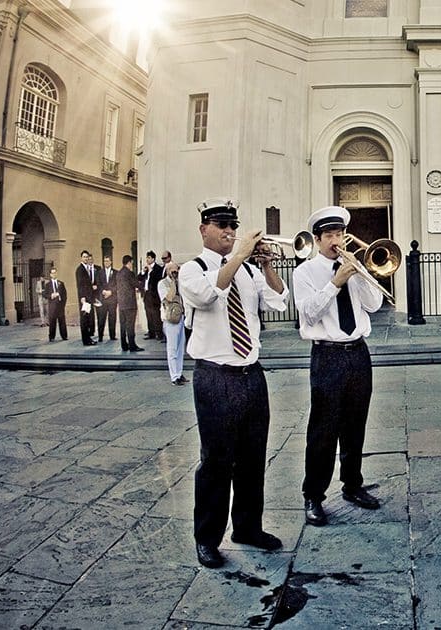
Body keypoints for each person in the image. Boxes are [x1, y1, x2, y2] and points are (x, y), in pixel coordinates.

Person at [179, 197, 288, 569]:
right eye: (221, 226)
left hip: (250, 375)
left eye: (233, 227)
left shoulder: (249, 272)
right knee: (215, 462)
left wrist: (268, 266)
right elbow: (211, 293)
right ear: (204, 230)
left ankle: (247, 528)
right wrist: (238, 255)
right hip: (215, 377)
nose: (229, 232)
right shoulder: (191, 270)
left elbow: (278, 300)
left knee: (253, 458)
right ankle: (208, 538)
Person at [293, 206, 385, 527]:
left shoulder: (354, 265)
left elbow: (374, 305)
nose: (336, 240)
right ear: (317, 239)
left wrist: (361, 275)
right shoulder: (305, 272)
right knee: (323, 428)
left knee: (355, 423)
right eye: (330, 235)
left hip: (358, 352)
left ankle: (353, 485)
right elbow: (309, 314)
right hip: (327, 354)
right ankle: (314, 496)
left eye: (340, 234)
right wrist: (335, 282)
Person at [159, 262, 189, 386]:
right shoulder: (162, 284)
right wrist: (172, 282)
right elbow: (169, 298)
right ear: (167, 271)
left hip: (181, 316)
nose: (175, 272)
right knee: (172, 348)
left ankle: (179, 372)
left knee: (180, 347)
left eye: (176, 269)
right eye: (172, 270)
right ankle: (174, 376)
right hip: (170, 318)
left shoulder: (180, 282)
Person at [116, 255, 145, 352]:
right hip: (130, 304)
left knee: (123, 325)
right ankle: (132, 346)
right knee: (130, 326)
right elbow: (136, 284)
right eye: (132, 263)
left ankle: (124, 345)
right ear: (129, 262)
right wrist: (143, 286)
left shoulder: (119, 273)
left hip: (121, 304)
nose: (132, 265)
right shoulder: (130, 273)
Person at [140, 250, 166, 340]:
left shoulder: (158, 268)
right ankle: (151, 332)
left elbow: (157, 279)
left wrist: (151, 271)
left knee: (156, 315)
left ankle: (159, 333)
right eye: (147, 257)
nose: (147, 259)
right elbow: (139, 278)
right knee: (148, 314)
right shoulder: (146, 269)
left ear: (153, 259)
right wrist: (143, 272)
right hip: (147, 294)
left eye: (149, 258)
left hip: (154, 295)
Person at [74, 250, 98, 346]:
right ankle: (86, 340)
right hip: (84, 299)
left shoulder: (86, 268)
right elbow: (80, 285)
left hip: (89, 298)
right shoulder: (80, 270)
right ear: (81, 258)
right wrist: (83, 297)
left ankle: (88, 338)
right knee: (84, 319)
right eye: (84, 257)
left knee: (88, 319)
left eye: (87, 257)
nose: (86, 258)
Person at [96, 255, 118, 342]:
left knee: (112, 318)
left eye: (108, 261)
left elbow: (118, 285)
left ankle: (112, 336)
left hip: (112, 299)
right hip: (103, 299)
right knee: (101, 318)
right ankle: (100, 336)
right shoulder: (100, 272)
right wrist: (103, 291)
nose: (106, 263)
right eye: (105, 261)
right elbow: (98, 284)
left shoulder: (116, 272)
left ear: (111, 262)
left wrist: (111, 292)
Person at [41, 269, 67, 341]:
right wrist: (51, 295)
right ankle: (52, 337)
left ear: (56, 274)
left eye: (55, 273)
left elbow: (65, 294)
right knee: (52, 321)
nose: (54, 274)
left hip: (60, 305)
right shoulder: (48, 285)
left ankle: (64, 336)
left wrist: (63, 303)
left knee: (62, 321)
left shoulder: (61, 283)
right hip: (52, 306)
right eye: (52, 273)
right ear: (50, 275)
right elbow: (44, 294)